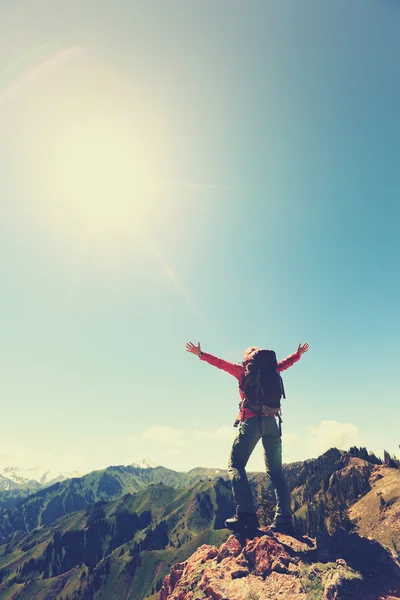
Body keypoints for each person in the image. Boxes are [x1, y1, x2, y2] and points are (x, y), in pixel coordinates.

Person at [185, 340, 309, 535]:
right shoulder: (272, 369)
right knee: (276, 472)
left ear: (247, 359)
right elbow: (285, 364)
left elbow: (221, 363)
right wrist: (297, 354)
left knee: (236, 464)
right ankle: (284, 519)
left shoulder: (243, 371)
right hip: (272, 423)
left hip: (251, 422)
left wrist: (201, 354)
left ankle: (246, 516)